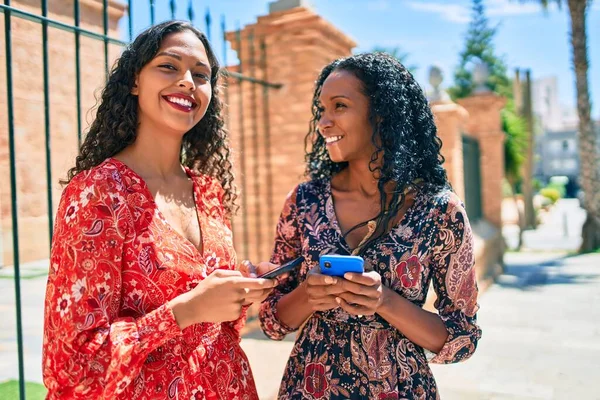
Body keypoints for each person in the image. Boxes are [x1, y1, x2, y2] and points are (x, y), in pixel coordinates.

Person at [42, 21, 277, 400]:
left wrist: (239, 290)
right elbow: (72, 363)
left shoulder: (208, 192)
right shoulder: (98, 192)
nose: (187, 81)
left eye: (201, 75)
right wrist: (186, 310)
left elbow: (215, 322)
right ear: (135, 81)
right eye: (169, 66)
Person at [259, 52, 482, 399]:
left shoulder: (439, 211)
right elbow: (272, 321)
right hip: (308, 388)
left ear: (381, 114)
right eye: (322, 110)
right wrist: (309, 294)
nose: (324, 122)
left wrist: (385, 301)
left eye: (340, 106)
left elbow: (461, 338)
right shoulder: (305, 202)